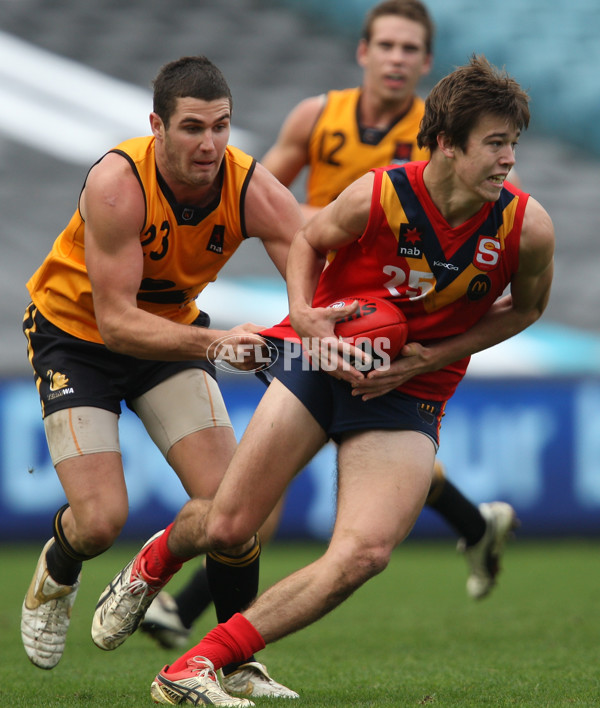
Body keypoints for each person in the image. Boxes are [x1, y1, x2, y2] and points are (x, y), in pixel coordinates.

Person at [92, 54, 555, 705]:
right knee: (230, 529)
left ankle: (194, 664)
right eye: (495, 144)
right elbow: (307, 242)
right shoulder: (381, 193)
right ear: (447, 144)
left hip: (411, 393)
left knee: (364, 554)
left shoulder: (525, 228)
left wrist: (431, 356)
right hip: (320, 359)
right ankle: (155, 560)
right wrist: (307, 320)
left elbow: (528, 308)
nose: (509, 160)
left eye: (513, 143)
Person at [141, 0, 517, 651]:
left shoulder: (446, 136)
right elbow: (256, 196)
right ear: (362, 52)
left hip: (397, 317)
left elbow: (486, 220)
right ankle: (474, 525)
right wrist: (328, 222)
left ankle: (194, 616)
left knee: (355, 448)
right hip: (319, 305)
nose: (397, 59)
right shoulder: (319, 117)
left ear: (426, 63)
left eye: (410, 50)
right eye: (387, 45)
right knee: (293, 463)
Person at [20, 55, 303, 702]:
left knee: (238, 513)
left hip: (169, 338)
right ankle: (59, 572)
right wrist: (218, 343)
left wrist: (309, 334)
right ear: (157, 126)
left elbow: (305, 264)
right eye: (193, 128)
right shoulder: (119, 184)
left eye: (222, 126)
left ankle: (231, 659)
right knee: (98, 521)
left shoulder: (248, 184)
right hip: (77, 340)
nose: (210, 144)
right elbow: (116, 323)